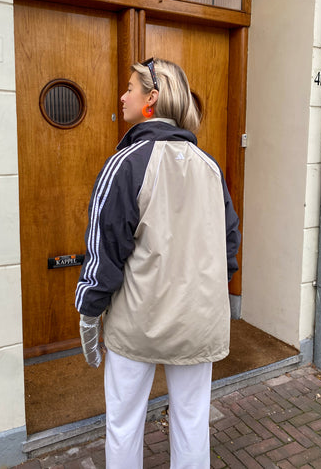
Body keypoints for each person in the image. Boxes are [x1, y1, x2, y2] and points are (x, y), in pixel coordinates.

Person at [75, 57, 240, 468]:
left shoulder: (126, 164)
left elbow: (105, 247)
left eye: (130, 88)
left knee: (125, 422)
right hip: (198, 320)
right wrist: (210, 297)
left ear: (152, 98)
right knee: (191, 420)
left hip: (139, 321)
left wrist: (89, 309)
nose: (123, 95)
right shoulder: (210, 167)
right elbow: (229, 245)